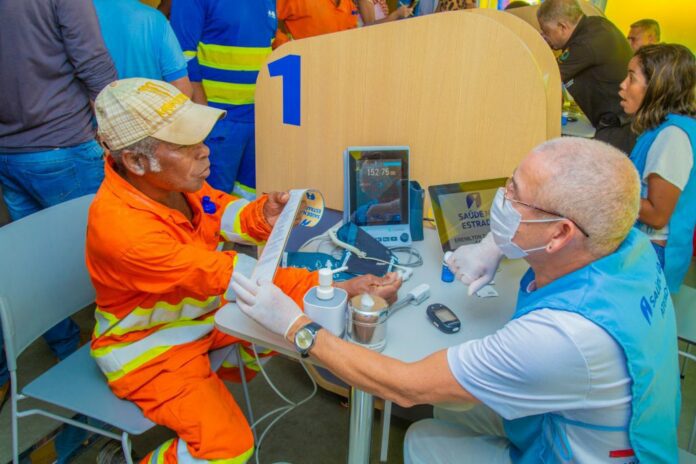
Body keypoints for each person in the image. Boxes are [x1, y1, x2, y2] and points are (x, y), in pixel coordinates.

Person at [233, 137, 680, 463]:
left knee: (425, 436)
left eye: (515, 196)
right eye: (509, 183)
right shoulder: (629, 247)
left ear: (560, 233)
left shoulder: (563, 338)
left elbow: (404, 386)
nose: (500, 201)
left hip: (576, 452)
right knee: (459, 407)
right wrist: (494, 247)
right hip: (602, 419)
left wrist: (298, 328)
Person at [88, 78, 400, 462]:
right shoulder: (125, 231)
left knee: (274, 343)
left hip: (202, 320)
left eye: (198, 139)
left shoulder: (166, 184)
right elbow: (241, 279)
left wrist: (262, 213)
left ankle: (209, 394)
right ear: (136, 161)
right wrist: (342, 286)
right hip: (150, 349)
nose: (204, 151)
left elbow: (221, 211)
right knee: (229, 448)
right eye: (185, 146)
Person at [0, 0, 116, 409]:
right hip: (62, 141)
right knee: (107, 257)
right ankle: (116, 363)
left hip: (8, 153)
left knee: (31, 260)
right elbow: (92, 61)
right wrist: (119, 129)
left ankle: (65, 345)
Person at [170, 0, 276, 199]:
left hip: (259, 118)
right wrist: (205, 119)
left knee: (249, 197)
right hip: (218, 120)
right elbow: (182, 58)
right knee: (211, 201)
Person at [619, 43, 695, 293]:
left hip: (654, 254)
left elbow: (657, 214)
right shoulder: (661, 129)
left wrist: (604, 191)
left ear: (657, 87)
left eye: (631, 78)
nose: (622, 85)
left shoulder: (673, 136)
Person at [537, 0, 635, 154]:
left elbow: (546, 77)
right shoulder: (596, 25)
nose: (544, 37)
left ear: (562, 27)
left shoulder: (585, 44)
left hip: (617, 124)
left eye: (546, 32)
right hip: (624, 119)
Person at [94, 0, 193, 98]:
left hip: (97, 111)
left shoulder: (83, 18)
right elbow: (182, 88)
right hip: (151, 112)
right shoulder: (154, 19)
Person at [274, 0, 359, 48]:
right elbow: (263, 20)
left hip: (340, 69)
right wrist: (287, 47)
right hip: (304, 69)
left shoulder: (349, 4)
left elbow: (354, 39)